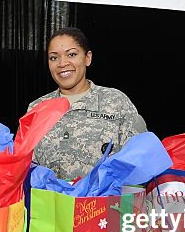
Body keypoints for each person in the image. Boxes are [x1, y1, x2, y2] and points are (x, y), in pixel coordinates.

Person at [28, 27, 147, 180]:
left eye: (72, 54)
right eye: (54, 58)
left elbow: (140, 161)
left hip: (105, 202)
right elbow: (25, 169)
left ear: (87, 58)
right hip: (51, 202)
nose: (62, 63)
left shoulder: (117, 102)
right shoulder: (37, 108)